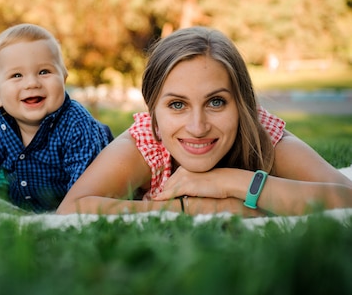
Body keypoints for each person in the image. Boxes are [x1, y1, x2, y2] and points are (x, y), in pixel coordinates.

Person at [57, 27, 352, 216]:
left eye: (216, 102)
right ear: (153, 114)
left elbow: (346, 198)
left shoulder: (261, 137)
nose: (197, 127)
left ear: (243, 106)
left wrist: (229, 182)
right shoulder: (145, 146)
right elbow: (73, 208)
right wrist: (191, 207)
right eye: (177, 105)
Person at [0, 23, 113, 212]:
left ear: (63, 79)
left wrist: (68, 212)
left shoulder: (77, 125)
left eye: (44, 72)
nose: (31, 83)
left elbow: (85, 188)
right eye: (17, 75)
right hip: (30, 202)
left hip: (72, 195)